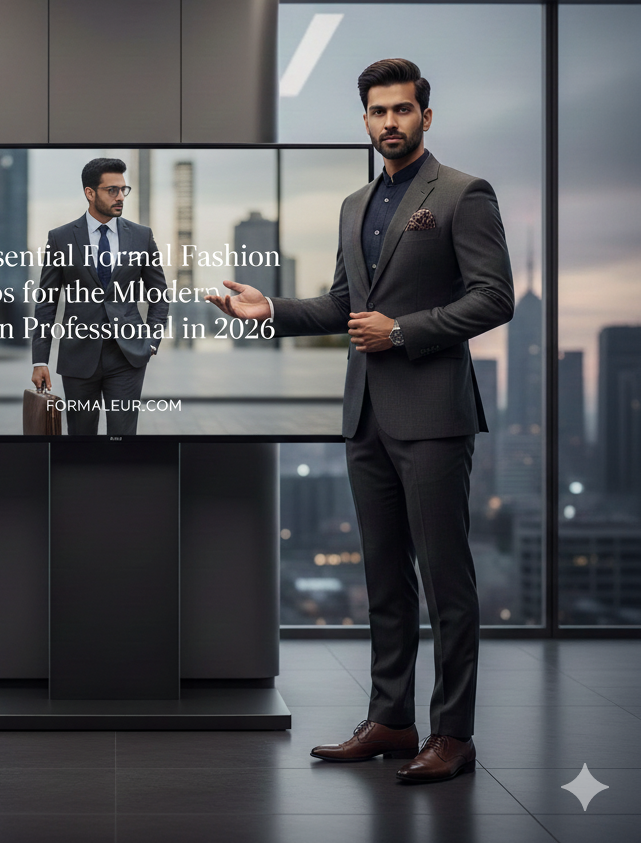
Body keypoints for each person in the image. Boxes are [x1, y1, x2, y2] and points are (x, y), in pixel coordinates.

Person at [207, 59, 514, 783]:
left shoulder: (463, 193)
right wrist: (268, 310)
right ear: (366, 120)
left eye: (402, 110)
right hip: (366, 416)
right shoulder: (355, 205)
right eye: (378, 112)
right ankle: (391, 719)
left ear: (425, 117)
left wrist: (401, 331)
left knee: (446, 582)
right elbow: (343, 305)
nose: (390, 123)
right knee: (384, 579)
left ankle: (454, 735)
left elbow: (494, 297)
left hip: (434, 416)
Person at [31, 158, 169, 435]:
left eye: (123, 189)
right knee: (81, 437)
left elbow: (159, 294)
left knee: (122, 437)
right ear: (90, 193)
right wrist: (40, 360)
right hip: (78, 357)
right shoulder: (60, 238)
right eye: (112, 190)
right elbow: (47, 301)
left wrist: (151, 343)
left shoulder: (141, 236)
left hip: (127, 356)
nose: (120, 197)